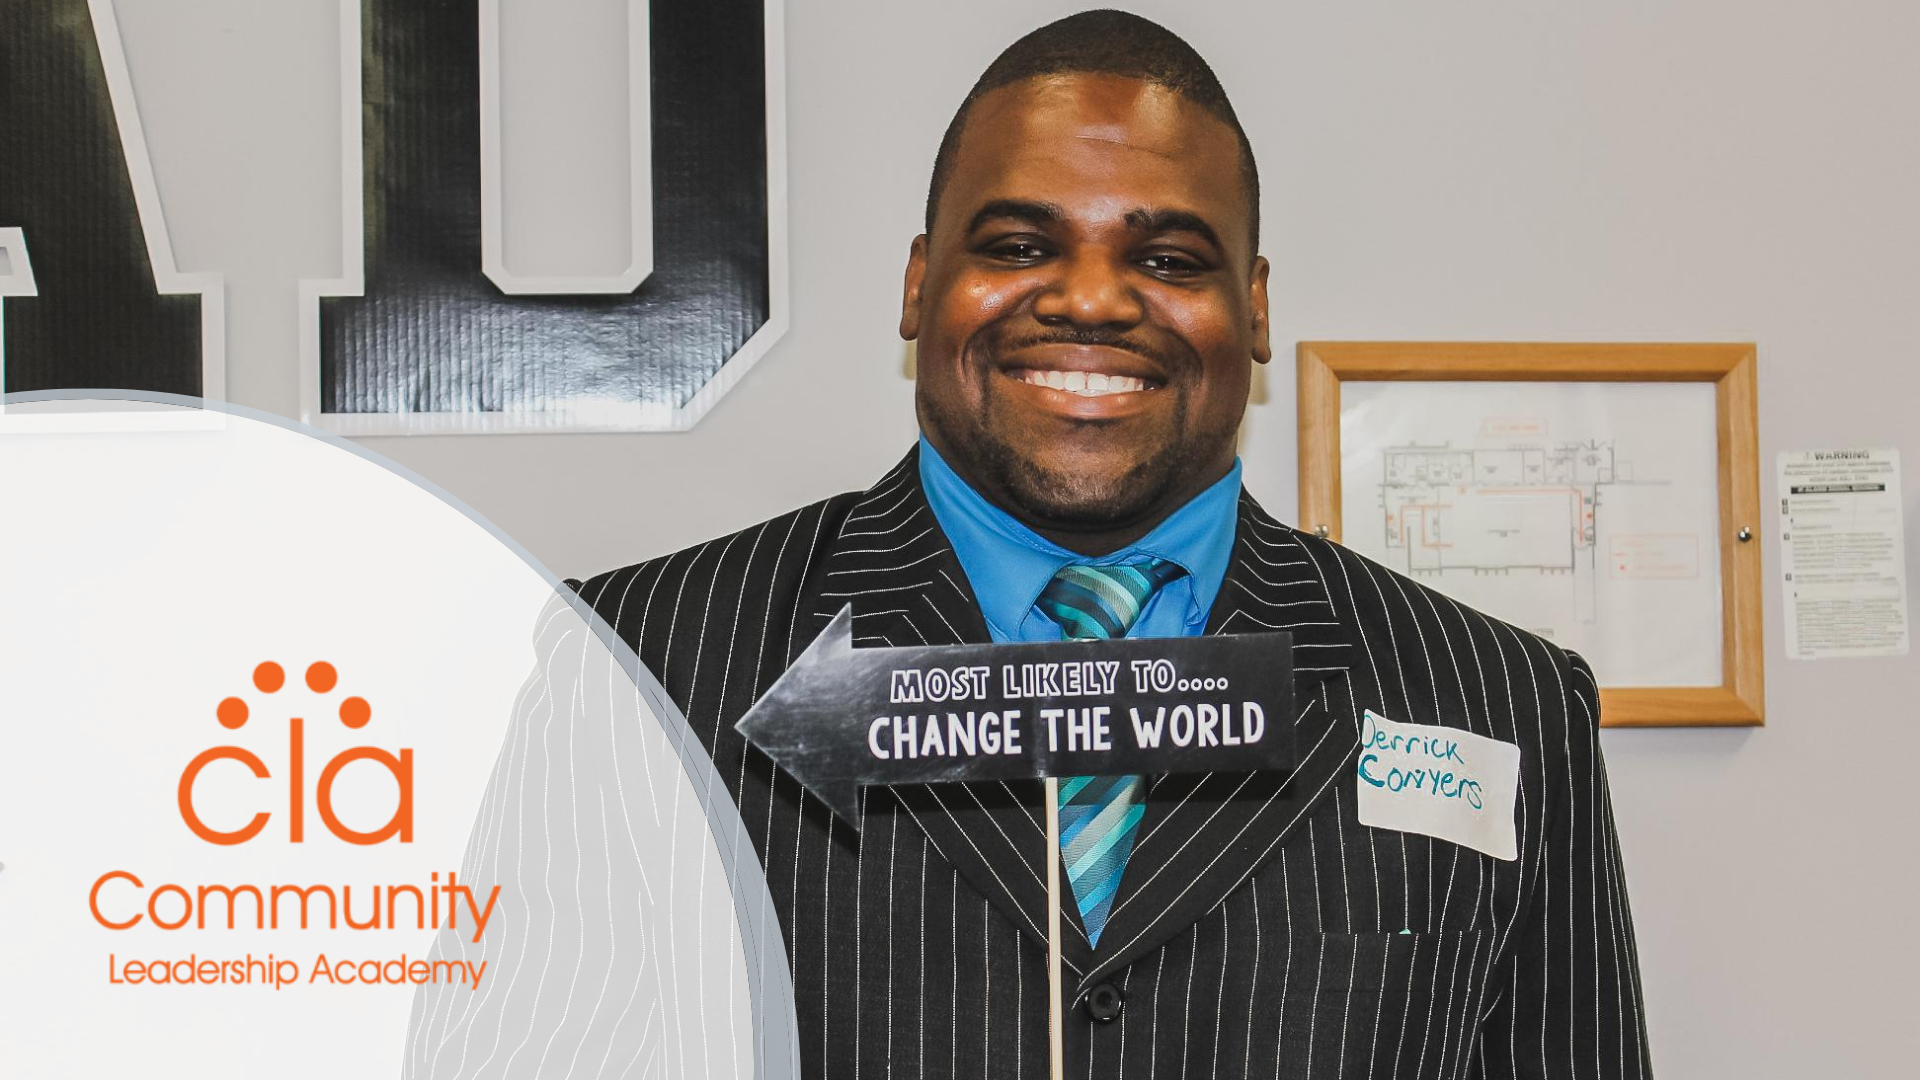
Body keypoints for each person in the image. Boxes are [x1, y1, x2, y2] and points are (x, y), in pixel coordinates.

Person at [409, 10, 1652, 1078]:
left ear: (1255, 308)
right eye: (1017, 246)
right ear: (917, 287)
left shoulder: (1498, 707)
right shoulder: (638, 669)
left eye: (1168, 257)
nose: (1094, 299)